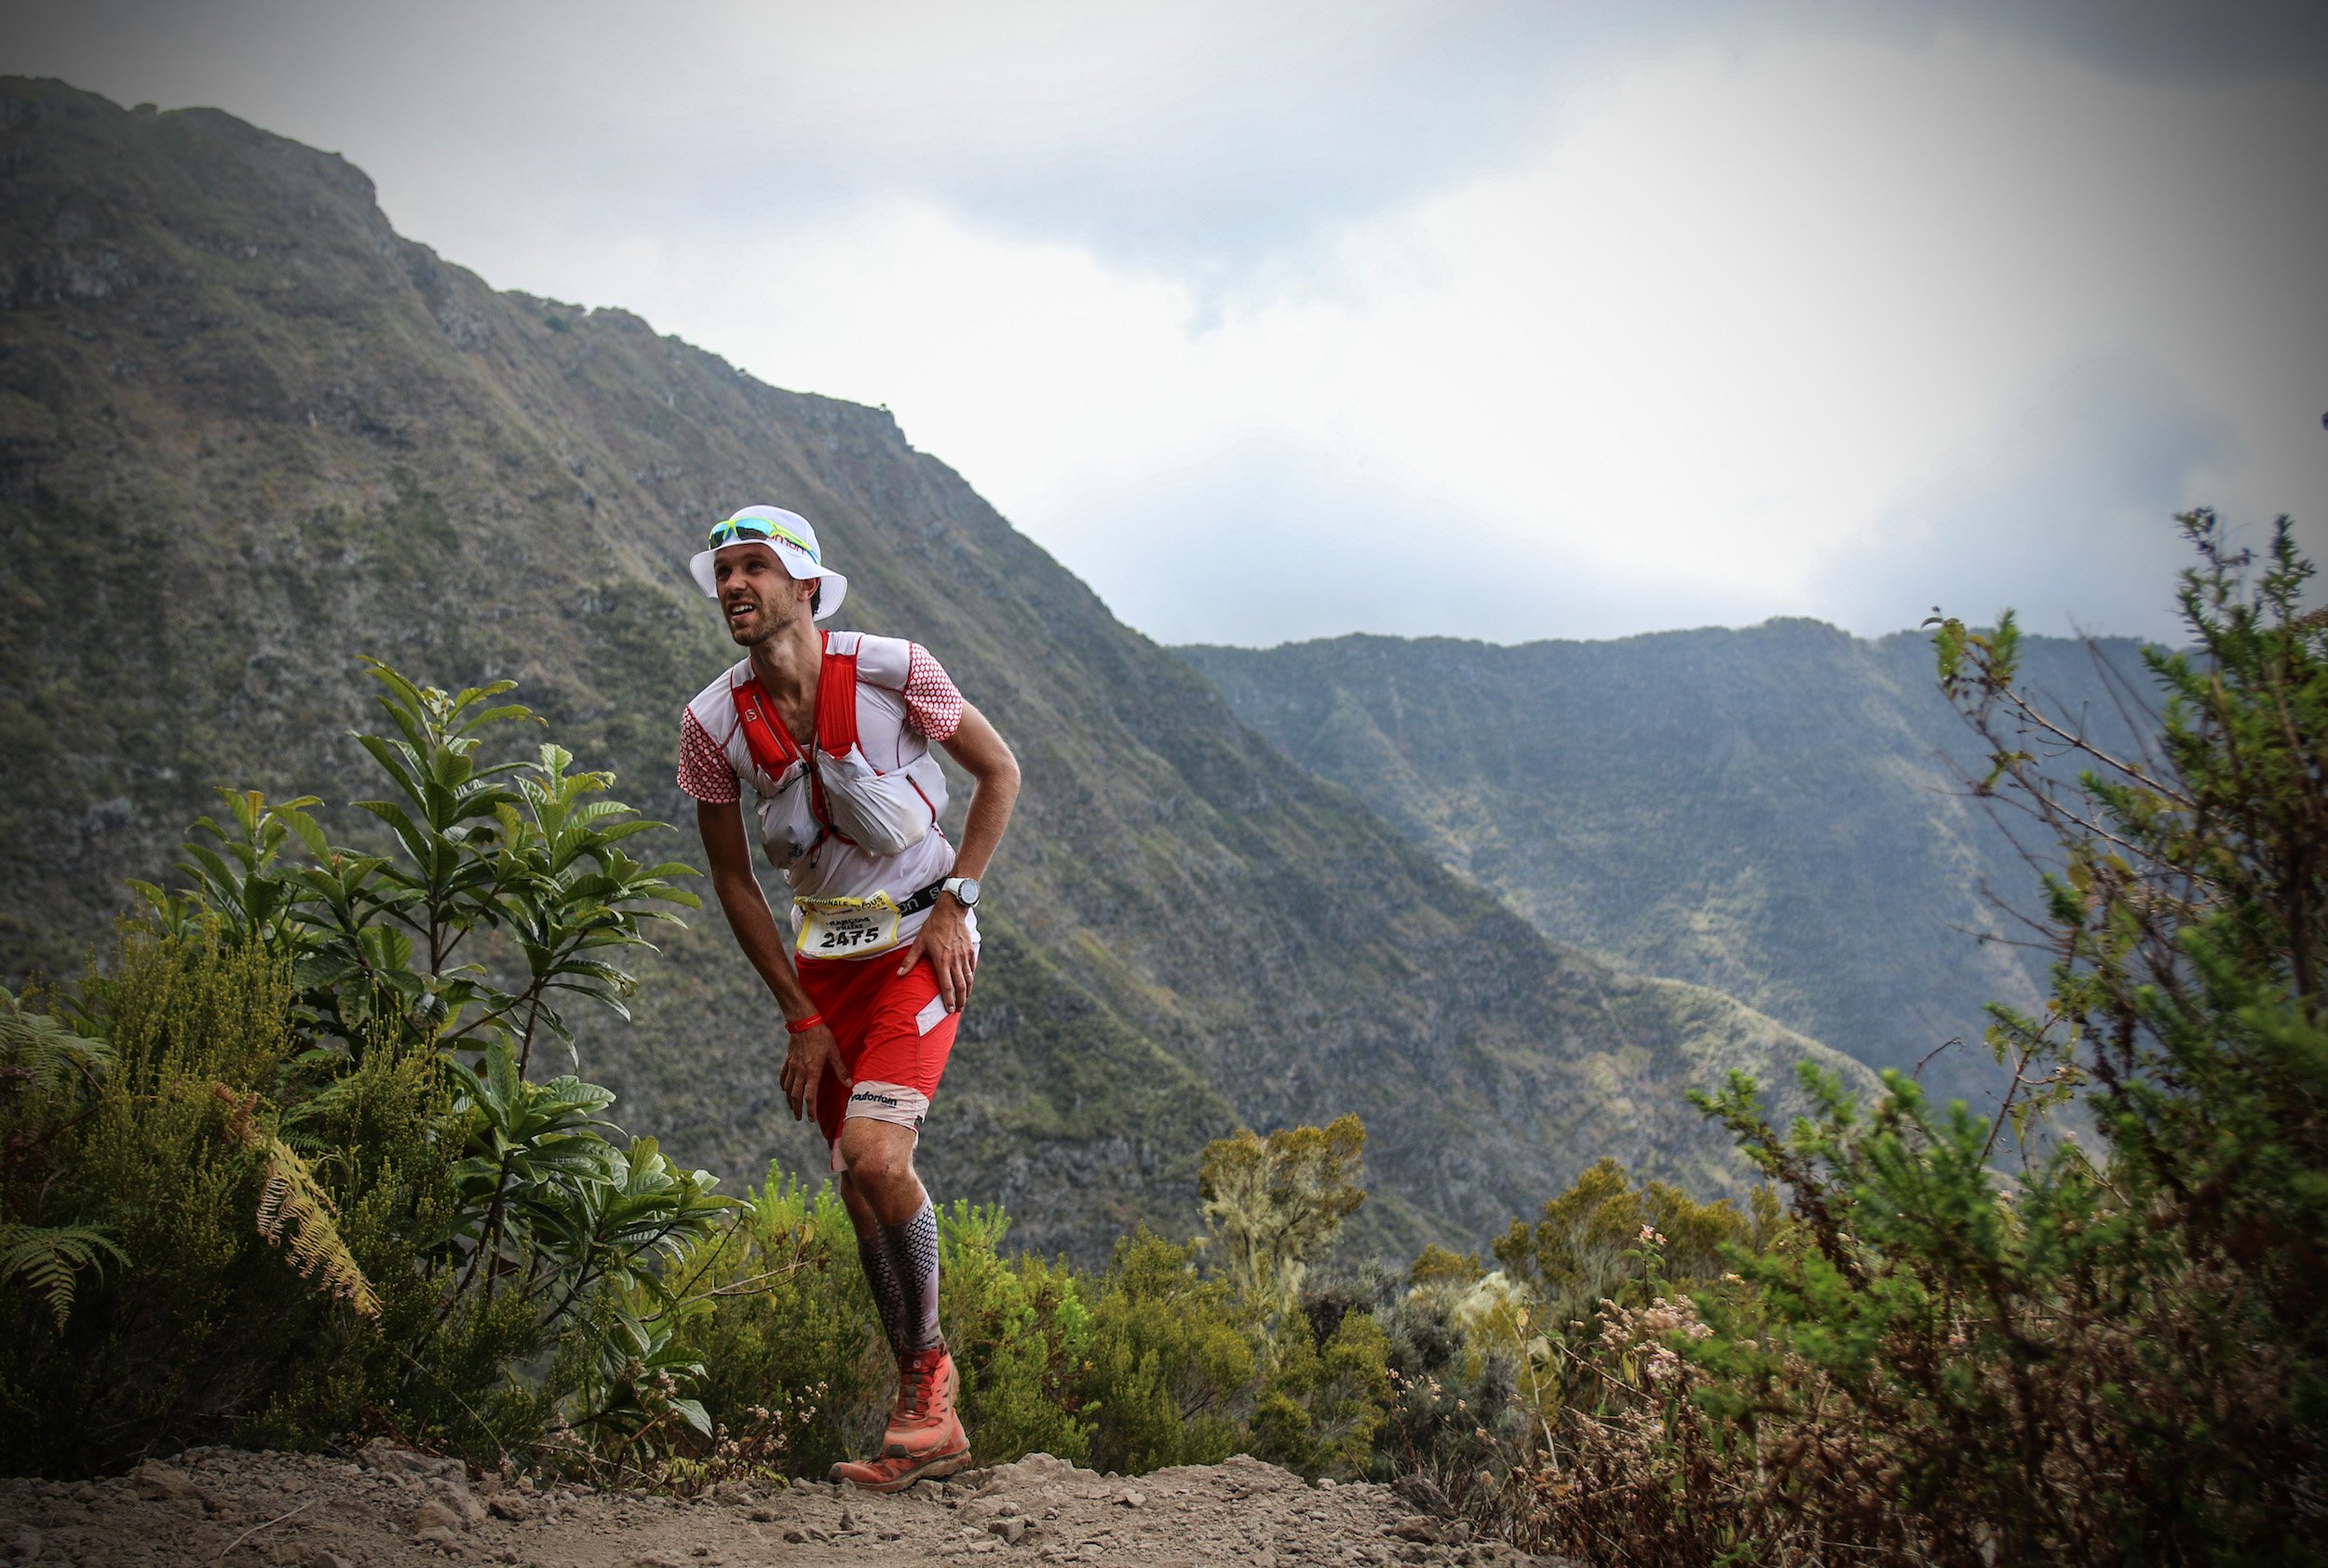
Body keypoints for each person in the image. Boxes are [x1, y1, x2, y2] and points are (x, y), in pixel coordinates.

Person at [675, 504, 1021, 1492]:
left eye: (755, 568)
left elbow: (999, 772)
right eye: (723, 572)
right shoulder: (711, 727)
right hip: (824, 968)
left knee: (877, 1153)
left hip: (923, 942)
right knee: (854, 1186)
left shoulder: (891, 669)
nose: (734, 585)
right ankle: (923, 1419)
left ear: (805, 586)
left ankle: (932, 1382)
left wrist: (959, 902)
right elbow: (737, 881)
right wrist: (799, 1014)